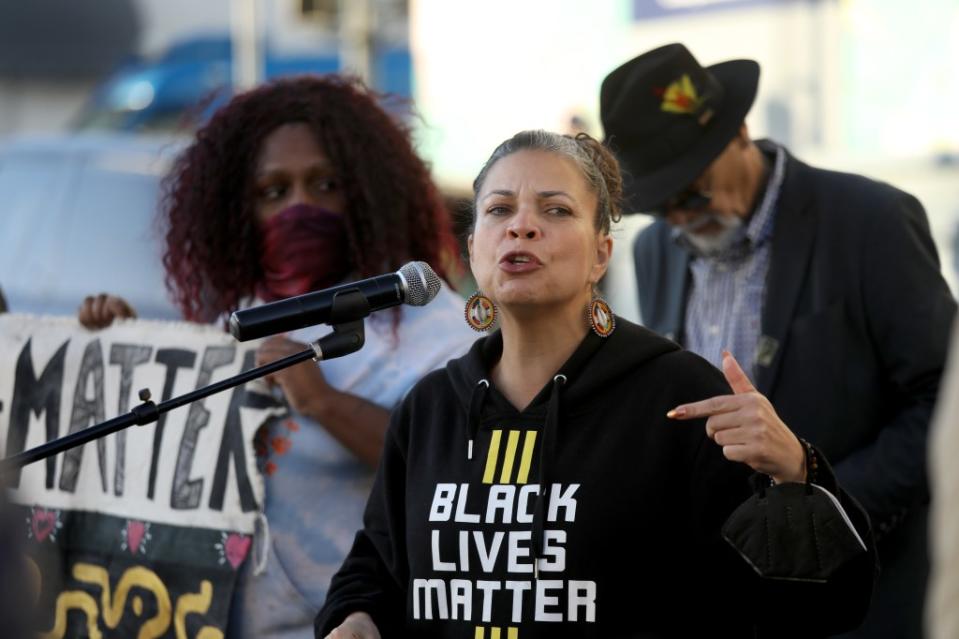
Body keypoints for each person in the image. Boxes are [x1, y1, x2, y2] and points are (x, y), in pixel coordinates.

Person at [315, 130, 875, 638]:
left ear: (600, 255)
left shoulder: (678, 397)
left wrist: (795, 474)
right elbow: (375, 568)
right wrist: (357, 618)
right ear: (472, 250)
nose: (521, 225)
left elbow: (820, 607)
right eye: (499, 209)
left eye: (555, 210)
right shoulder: (430, 409)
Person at [77, 75, 478, 637]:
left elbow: (459, 474)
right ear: (240, 213)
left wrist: (324, 402)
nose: (299, 208)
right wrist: (121, 353)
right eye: (274, 191)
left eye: (324, 184)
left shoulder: (438, 331)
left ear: (366, 192)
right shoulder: (238, 323)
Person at [600, 43, 957, 638]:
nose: (682, 219)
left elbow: (943, 401)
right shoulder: (654, 251)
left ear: (739, 130)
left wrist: (824, 501)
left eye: (692, 191)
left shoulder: (871, 220)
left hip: (862, 595)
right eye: (662, 205)